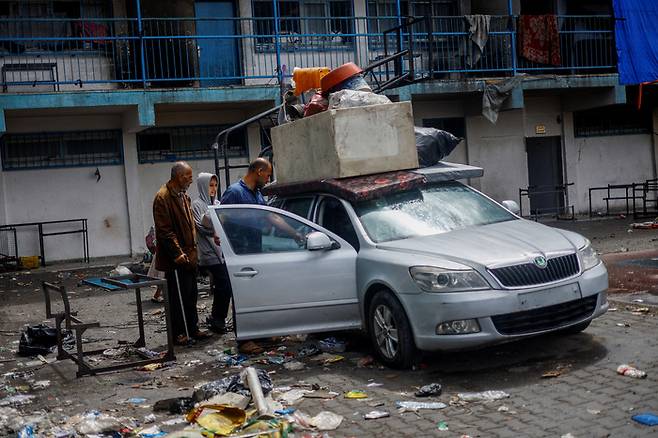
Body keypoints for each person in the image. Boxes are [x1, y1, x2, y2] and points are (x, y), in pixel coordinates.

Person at [153, 162, 211, 345]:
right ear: (179, 177)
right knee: (176, 297)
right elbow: (165, 231)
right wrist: (177, 253)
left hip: (189, 255)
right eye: (188, 176)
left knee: (190, 294)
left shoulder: (183, 196)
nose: (191, 180)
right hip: (175, 259)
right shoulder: (163, 197)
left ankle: (192, 328)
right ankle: (179, 333)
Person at [192, 172, 232, 334]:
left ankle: (217, 317)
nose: (213, 189)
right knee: (224, 284)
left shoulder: (217, 203)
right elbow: (201, 227)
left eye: (215, 185)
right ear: (203, 186)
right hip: (207, 251)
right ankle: (218, 319)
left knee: (223, 285)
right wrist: (214, 223)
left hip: (220, 251)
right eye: (210, 185)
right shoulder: (196, 204)